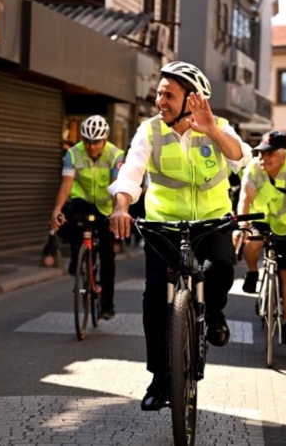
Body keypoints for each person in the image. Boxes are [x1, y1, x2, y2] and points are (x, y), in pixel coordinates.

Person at [107, 61, 252, 411]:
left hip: (211, 221)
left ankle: (214, 312)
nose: (160, 100)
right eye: (159, 93)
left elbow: (241, 158)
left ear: (192, 99)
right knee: (155, 299)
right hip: (163, 226)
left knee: (221, 265)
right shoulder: (149, 131)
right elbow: (131, 173)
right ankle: (160, 377)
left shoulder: (218, 127)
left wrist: (213, 130)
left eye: (168, 95)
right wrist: (121, 206)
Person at [237, 130, 286, 344]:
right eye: (261, 153)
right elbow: (244, 198)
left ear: (283, 154)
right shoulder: (253, 167)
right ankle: (252, 272)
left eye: (269, 154)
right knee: (251, 244)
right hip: (259, 218)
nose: (263, 157)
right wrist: (242, 226)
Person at [51, 115, 123, 320]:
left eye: (97, 142)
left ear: (105, 139)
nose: (92, 146)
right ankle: (77, 255)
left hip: (105, 205)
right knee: (70, 221)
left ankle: (107, 304)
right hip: (81, 200)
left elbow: (116, 186)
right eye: (87, 141)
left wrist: (117, 211)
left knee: (108, 253)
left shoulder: (116, 155)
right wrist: (56, 209)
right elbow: (66, 184)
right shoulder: (73, 154)